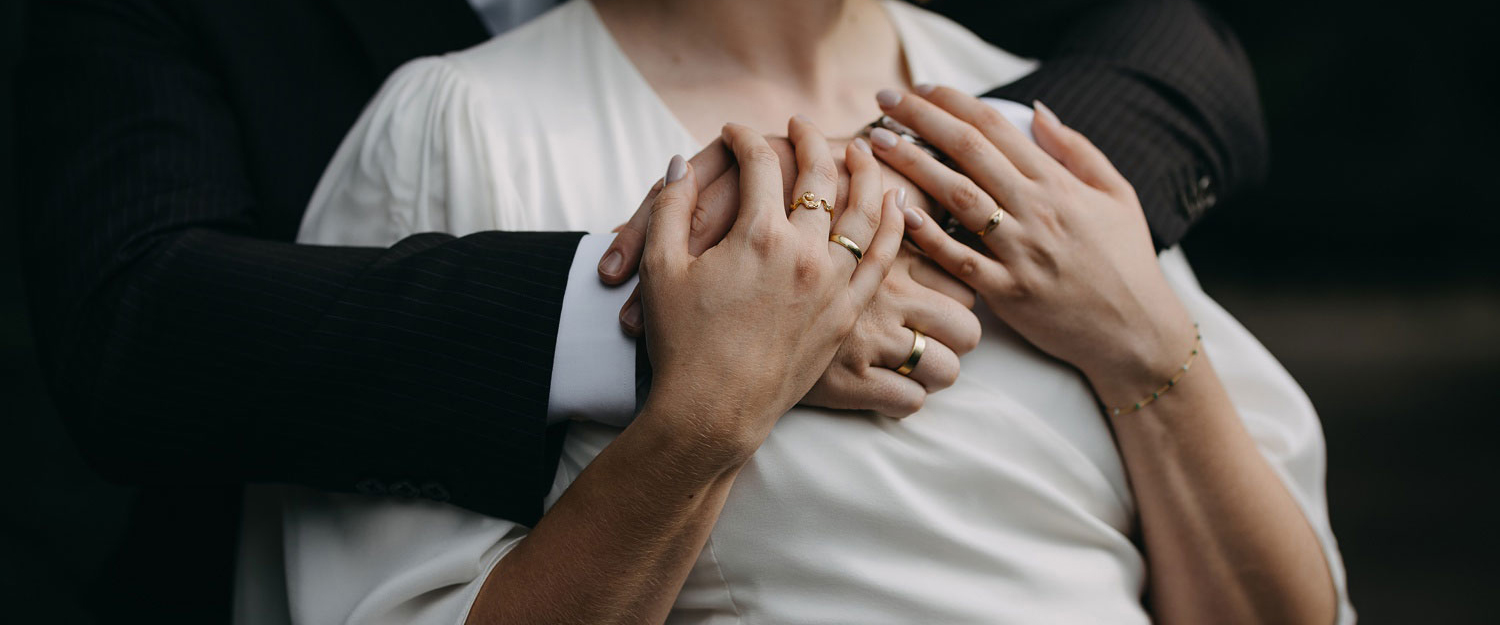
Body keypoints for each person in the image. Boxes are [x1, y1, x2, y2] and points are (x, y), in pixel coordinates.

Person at [17, 0, 1271, 619]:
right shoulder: (458, 120)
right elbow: (143, 328)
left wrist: (883, 202)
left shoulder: (1015, 119)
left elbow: (1186, 48)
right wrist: (677, 345)